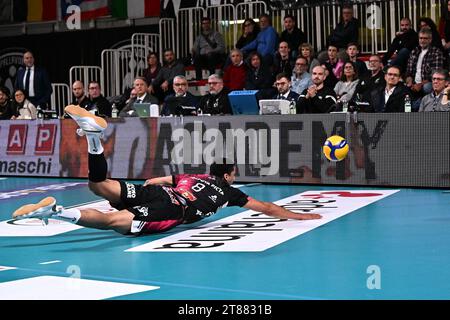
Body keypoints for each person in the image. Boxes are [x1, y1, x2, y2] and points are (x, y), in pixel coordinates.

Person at [11, 105, 321, 235]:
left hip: (162, 191)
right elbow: (265, 207)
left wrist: (142, 194)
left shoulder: (191, 175)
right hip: (171, 208)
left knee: (99, 185)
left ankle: (94, 139)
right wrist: (299, 215)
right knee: (111, 221)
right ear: (228, 175)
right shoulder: (230, 192)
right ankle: (55, 213)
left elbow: (153, 179)